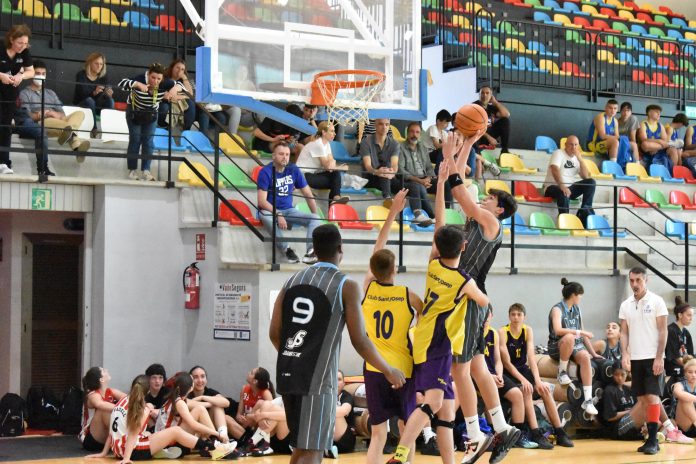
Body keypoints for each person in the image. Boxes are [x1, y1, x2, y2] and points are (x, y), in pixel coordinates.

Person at [386, 158, 494, 464]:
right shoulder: (464, 281)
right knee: (433, 404)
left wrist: (442, 185)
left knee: (447, 413)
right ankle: (401, 454)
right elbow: (484, 302)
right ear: (463, 249)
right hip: (439, 344)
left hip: (421, 338)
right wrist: (486, 307)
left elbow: (438, 224)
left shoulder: (433, 264)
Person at [269, 224, 406, 464]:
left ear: (314, 249)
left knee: (301, 448)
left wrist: (295, 356)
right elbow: (360, 340)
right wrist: (388, 370)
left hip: (287, 374)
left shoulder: (291, 280)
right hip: (317, 381)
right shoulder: (346, 285)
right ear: (340, 249)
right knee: (313, 451)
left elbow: (274, 333)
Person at [442, 131, 520, 464]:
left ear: (498, 209)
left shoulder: (489, 221)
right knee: (476, 367)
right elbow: (457, 187)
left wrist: (452, 153)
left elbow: (459, 192)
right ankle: (502, 427)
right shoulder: (480, 218)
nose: (484, 199)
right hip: (471, 297)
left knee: (460, 369)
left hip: (470, 296)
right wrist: (467, 148)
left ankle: (476, 435)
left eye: (490, 199)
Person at [362, 188, 421, 464]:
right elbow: (428, 319)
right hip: (403, 369)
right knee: (406, 428)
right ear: (394, 270)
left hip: (375, 368)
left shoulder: (367, 290)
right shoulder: (408, 295)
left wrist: (391, 215)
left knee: (377, 434)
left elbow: (379, 249)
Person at [619, 267, 693, 454]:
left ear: (646, 280)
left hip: (653, 358)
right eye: (632, 281)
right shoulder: (626, 304)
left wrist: (659, 357)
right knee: (643, 399)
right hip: (635, 358)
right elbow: (624, 332)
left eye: (638, 280)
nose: (634, 284)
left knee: (652, 398)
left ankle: (653, 439)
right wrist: (625, 354)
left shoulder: (657, 301)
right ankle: (651, 438)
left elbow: (663, 331)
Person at [85, 375, 236, 461]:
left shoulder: (120, 403)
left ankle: (214, 446)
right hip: (131, 451)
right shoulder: (142, 409)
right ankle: (215, 447)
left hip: (118, 449)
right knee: (175, 431)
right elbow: (132, 432)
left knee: (167, 431)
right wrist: (126, 459)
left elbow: (113, 430)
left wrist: (105, 452)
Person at [499, 303, 574, 449]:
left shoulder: (528, 330)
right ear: (509, 316)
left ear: (524, 317)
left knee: (545, 389)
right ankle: (535, 433)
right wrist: (523, 380)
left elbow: (532, 358)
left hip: (522, 369)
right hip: (508, 372)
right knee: (526, 390)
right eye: (513, 314)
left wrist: (538, 380)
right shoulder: (502, 332)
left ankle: (560, 432)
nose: (516, 317)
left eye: (519, 315)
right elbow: (507, 363)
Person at [256, 141, 322, 264]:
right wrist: (278, 214)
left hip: (289, 211)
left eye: (287, 154)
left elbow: (308, 194)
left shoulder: (293, 170)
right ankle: (286, 249)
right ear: (273, 156)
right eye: (281, 154)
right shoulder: (265, 172)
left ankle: (310, 252)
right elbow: (261, 201)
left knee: (315, 218)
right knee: (265, 216)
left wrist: (315, 218)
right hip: (270, 211)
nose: (285, 157)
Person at [118, 62, 183, 181]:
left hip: (151, 113)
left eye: (159, 79)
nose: (155, 81)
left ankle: (146, 171)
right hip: (134, 111)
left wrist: (175, 89)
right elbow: (121, 84)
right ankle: (132, 170)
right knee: (135, 139)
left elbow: (180, 85)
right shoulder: (140, 78)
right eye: (153, 77)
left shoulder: (165, 82)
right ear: (148, 75)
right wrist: (137, 84)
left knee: (148, 141)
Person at [479, 309, 533, 449]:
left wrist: (498, 374)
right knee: (489, 394)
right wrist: (490, 377)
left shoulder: (493, 334)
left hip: (495, 374)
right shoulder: (473, 333)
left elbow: (498, 360)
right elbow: (474, 363)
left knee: (517, 394)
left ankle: (517, 436)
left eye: (487, 314)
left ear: (492, 315)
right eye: (481, 314)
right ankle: (494, 436)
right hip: (479, 374)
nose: (485, 317)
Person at [547, 278, 601, 416]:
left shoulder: (577, 309)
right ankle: (562, 371)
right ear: (574, 295)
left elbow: (583, 335)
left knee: (585, 357)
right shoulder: (557, 309)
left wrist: (593, 353)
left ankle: (588, 400)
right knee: (570, 337)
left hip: (574, 346)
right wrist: (579, 332)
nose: (581, 298)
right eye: (580, 295)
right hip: (557, 345)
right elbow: (558, 330)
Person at [19, 60, 91, 157]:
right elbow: (26, 117)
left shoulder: (51, 93)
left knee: (80, 113)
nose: (41, 76)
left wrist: (53, 113)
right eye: (38, 73)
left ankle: (68, 134)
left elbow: (62, 114)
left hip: (57, 121)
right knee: (64, 124)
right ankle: (76, 145)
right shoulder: (25, 93)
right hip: (42, 122)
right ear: (31, 75)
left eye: (43, 74)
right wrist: (44, 114)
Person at [0, 24, 35, 175]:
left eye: (25, 43)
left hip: (10, 93)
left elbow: (31, 71)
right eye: (20, 43)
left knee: (6, 128)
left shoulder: (24, 52)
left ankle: (3, 162)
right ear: (11, 39)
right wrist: (1, 75)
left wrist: (21, 76)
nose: (23, 46)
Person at [154, 372, 227, 444]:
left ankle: (213, 442)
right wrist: (217, 433)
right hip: (168, 442)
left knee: (199, 409)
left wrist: (201, 398)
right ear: (191, 387)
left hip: (163, 438)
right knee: (200, 410)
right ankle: (216, 442)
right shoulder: (179, 402)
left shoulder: (173, 398)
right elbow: (193, 424)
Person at [543, 135, 596, 226]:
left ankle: (584, 211)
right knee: (563, 192)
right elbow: (555, 169)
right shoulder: (558, 153)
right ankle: (565, 220)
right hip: (552, 187)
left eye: (576, 145)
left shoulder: (576, 158)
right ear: (565, 145)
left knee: (591, 182)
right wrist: (562, 186)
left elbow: (586, 176)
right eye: (571, 144)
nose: (573, 147)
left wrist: (580, 159)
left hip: (569, 188)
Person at [295, 121, 350, 207]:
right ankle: (335, 202)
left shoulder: (326, 144)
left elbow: (331, 162)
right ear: (324, 132)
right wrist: (334, 163)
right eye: (331, 131)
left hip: (312, 175)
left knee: (335, 176)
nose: (334, 134)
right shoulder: (318, 144)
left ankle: (335, 200)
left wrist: (332, 163)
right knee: (335, 175)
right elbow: (328, 166)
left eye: (334, 131)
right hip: (302, 176)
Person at [398, 122, 436, 226]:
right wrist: (420, 181)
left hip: (424, 179)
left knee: (445, 184)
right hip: (410, 180)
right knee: (418, 186)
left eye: (417, 132)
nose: (414, 135)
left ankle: (443, 213)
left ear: (420, 134)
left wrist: (428, 178)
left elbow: (429, 166)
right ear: (407, 133)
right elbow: (401, 170)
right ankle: (430, 216)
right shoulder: (400, 147)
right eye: (411, 131)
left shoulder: (422, 148)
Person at [187, 365, 237, 444]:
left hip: (210, 431)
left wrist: (203, 397)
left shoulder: (210, 392)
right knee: (210, 405)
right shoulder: (187, 392)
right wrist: (209, 404)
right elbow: (187, 404)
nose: (200, 380)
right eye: (195, 377)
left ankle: (224, 439)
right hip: (194, 431)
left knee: (218, 405)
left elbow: (226, 403)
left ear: (206, 379)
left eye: (203, 376)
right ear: (190, 380)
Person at [79, 367, 125, 452]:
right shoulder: (93, 395)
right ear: (101, 380)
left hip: (105, 436)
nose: (107, 370)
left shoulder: (111, 391)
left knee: (136, 409)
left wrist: (146, 406)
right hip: (90, 438)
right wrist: (123, 409)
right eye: (104, 371)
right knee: (104, 410)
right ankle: (125, 441)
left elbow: (129, 399)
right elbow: (100, 404)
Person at [601, 361, 647, 441]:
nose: (619, 378)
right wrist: (630, 411)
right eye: (616, 375)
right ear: (612, 374)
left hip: (631, 424)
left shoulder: (627, 389)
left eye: (622, 375)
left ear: (627, 374)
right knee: (645, 401)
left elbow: (642, 384)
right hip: (618, 428)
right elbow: (610, 417)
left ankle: (652, 432)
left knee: (668, 421)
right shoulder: (610, 390)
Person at [360, 118, 401, 206]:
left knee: (414, 187)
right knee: (385, 165)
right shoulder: (366, 142)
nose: (384, 127)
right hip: (371, 177)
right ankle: (387, 197)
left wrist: (392, 173)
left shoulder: (395, 144)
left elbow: (394, 165)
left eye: (387, 124)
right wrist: (377, 172)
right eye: (381, 124)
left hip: (388, 177)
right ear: (375, 125)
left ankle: (428, 216)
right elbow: (368, 166)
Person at [73, 51, 114, 136]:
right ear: (90, 63)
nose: (99, 66)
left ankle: (108, 128)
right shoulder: (81, 75)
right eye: (96, 63)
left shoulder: (103, 76)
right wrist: (94, 92)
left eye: (101, 64)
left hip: (97, 105)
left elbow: (107, 88)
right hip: (82, 104)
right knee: (90, 100)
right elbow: (82, 94)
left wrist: (108, 92)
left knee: (110, 101)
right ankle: (94, 128)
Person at [235, 366, 275, 450]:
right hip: (244, 428)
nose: (249, 372)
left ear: (255, 381)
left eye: (252, 372)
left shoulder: (265, 393)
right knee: (226, 418)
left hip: (257, 428)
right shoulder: (244, 389)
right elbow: (239, 414)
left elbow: (271, 415)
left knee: (261, 403)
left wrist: (252, 417)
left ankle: (256, 441)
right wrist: (239, 417)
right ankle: (238, 443)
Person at [157, 59, 196, 135]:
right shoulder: (164, 78)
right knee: (165, 107)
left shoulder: (182, 82)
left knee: (190, 103)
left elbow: (190, 94)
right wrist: (181, 96)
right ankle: (164, 130)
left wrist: (184, 78)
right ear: (172, 67)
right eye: (177, 67)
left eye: (182, 69)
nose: (179, 71)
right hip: (163, 101)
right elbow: (169, 95)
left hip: (177, 104)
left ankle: (186, 132)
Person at [12, 106, 52, 177]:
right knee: (41, 132)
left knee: (41, 131)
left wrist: (50, 112)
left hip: (27, 120)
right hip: (19, 121)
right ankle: (42, 168)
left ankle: (43, 168)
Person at [638, 104, 676, 173]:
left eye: (659, 112)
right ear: (649, 113)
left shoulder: (660, 125)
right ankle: (672, 144)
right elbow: (644, 139)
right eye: (656, 112)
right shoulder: (643, 124)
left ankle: (673, 173)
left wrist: (656, 147)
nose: (659, 114)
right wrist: (659, 141)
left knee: (673, 150)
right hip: (647, 150)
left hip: (657, 149)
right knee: (645, 144)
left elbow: (665, 140)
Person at [474, 86, 511, 154]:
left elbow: (506, 114)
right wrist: (489, 138)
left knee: (505, 121)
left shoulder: (490, 107)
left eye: (487, 93)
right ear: (479, 95)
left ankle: (504, 150)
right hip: (478, 136)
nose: (484, 95)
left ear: (491, 96)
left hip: (489, 133)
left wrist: (495, 102)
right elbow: (474, 127)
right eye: (482, 93)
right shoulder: (474, 106)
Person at [665, 297, 694, 378]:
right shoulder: (671, 330)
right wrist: (691, 366)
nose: (691, 318)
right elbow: (675, 357)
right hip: (673, 372)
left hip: (686, 370)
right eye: (689, 315)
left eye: (692, 315)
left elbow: (691, 355)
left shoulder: (686, 333)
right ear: (680, 315)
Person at [331, 370, 357, 456]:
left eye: (339, 379)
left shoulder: (346, 396)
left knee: (337, 412)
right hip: (326, 437)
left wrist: (321, 410)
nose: (336, 382)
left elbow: (344, 410)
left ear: (343, 383)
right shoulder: (322, 396)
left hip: (345, 440)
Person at [592, 322, 623, 386]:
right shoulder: (601, 344)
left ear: (620, 334)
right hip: (600, 383)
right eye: (608, 327)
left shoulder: (623, 347)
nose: (610, 329)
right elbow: (583, 355)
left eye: (614, 328)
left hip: (617, 382)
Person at [672, 358, 696, 437]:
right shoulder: (679, 384)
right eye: (690, 372)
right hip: (684, 425)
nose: (693, 375)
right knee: (685, 399)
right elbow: (677, 392)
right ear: (685, 373)